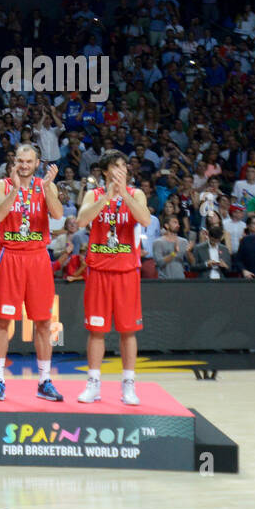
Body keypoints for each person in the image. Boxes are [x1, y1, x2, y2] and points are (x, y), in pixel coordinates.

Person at [0, 143, 65, 402]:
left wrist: (46, 189)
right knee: (2, 321)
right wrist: (17, 191)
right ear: (15, 161)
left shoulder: (46, 185)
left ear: (37, 163)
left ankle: (44, 380)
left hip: (37, 257)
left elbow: (58, 214)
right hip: (10, 255)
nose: (23, 165)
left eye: (28, 161)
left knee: (43, 322)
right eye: (20, 160)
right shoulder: (1, 185)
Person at [75, 150, 152, 406]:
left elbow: (145, 219)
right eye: (116, 167)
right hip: (98, 271)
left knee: (128, 331)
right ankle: (93, 383)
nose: (121, 170)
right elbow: (81, 220)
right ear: (106, 171)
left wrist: (124, 195)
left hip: (126, 271)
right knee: (97, 331)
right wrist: (107, 197)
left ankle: (128, 384)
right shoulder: (93, 194)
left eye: (124, 166)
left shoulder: (136, 193)